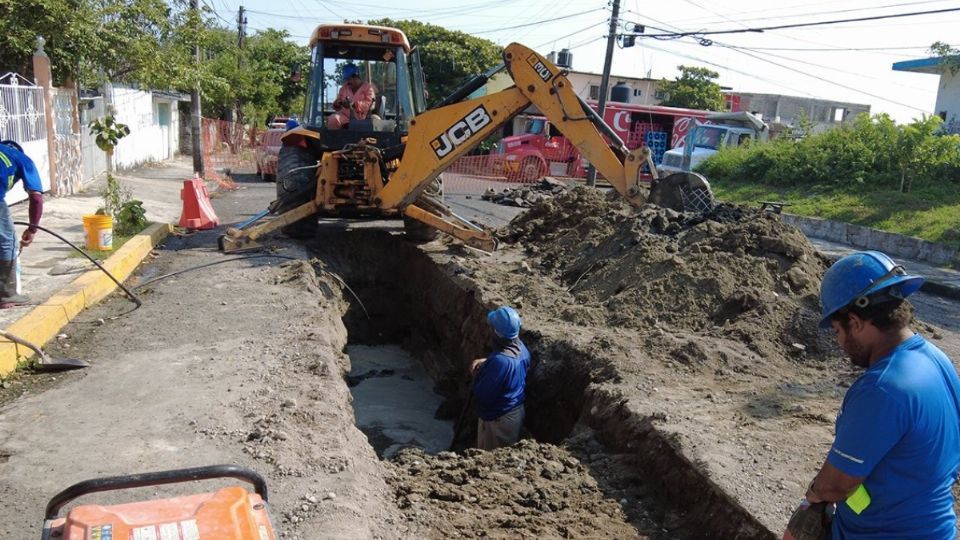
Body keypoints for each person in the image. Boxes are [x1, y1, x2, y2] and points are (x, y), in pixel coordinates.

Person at [794, 250, 960, 539]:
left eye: (836, 331)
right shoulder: (937, 359)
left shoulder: (882, 388)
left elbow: (836, 486)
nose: (839, 343)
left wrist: (812, 498)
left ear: (855, 322)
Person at [470, 306, 531, 451]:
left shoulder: (500, 362)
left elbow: (483, 394)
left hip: (499, 419)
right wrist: (487, 362)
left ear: (496, 333)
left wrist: (479, 375)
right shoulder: (521, 349)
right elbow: (508, 364)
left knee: (487, 460)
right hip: (512, 412)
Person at [0, 141, 44, 306]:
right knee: (7, 241)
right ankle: (7, 294)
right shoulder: (22, 159)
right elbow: (36, 198)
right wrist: (32, 229)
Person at [326, 63, 376, 130]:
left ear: (356, 77)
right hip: (345, 118)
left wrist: (353, 104)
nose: (347, 82)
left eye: (349, 79)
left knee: (373, 122)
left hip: (362, 119)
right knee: (333, 119)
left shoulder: (368, 88)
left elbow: (370, 104)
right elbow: (338, 101)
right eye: (346, 79)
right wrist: (337, 104)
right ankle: (334, 139)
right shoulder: (344, 88)